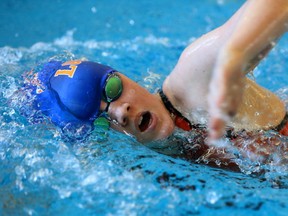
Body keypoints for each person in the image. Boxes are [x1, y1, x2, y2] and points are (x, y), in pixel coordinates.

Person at [26, 0, 288, 168]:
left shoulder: (193, 81)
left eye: (112, 89)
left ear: (124, 76)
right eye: (102, 119)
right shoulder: (152, 160)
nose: (121, 111)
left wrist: (235, 58)